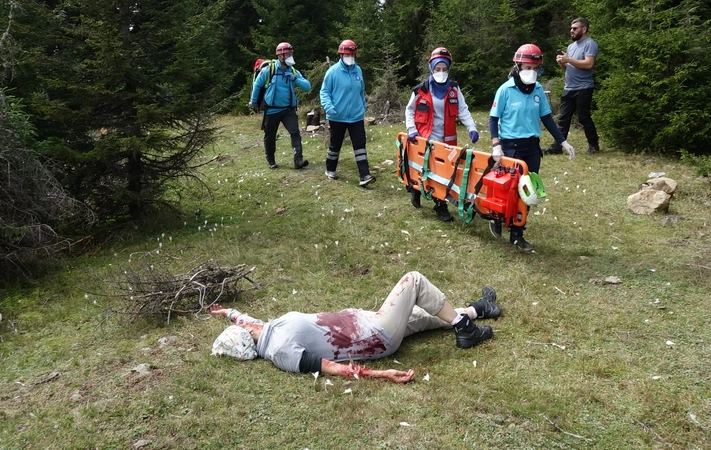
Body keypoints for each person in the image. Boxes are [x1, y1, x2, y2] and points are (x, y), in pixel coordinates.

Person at [209, 271, 500, 384]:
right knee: (414, 282)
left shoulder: (265, 332)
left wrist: (227, 312)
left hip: (369, 322)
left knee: (423, 314)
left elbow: (245, 319)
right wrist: (383, 373)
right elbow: (331, 368)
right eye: (246, 328)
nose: (248, 325)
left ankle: (479, 309)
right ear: (247, 341)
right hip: (376, 336)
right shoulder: (279, 351)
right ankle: (465, 329)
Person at [488, 44, 575, 250]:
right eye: (528, 67)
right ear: (518, 66)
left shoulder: (537, 90)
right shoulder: (505, 90)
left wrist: (562, 141)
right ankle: (497, 217)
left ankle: (517, 233)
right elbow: (493, 119)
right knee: (508, 189)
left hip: (532, 147)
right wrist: (496, 145)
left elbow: (546, 118)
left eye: (536, 68)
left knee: (527, 191)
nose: (532, 72)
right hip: (511, 147)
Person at [405, 47, 480, 222]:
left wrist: (472, 127)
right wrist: (411, 130)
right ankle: (417, 189)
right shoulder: (420, 90)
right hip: (426, 138)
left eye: (444, 69)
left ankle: (440, 205)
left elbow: (462, 109)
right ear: (431, 68)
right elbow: (410, 111)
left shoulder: (454, 89)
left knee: (444, 173)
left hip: (448, 140)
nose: (441, 72)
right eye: (438, 69)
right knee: (427, 170)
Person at [319, 40, 376, 186]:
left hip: (356, 116)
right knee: (335, 144)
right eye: (347, 54)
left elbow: (361, 89)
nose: (350, 56)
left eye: (352, 54)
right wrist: (328, 106)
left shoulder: (358, 70)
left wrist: (363, 105)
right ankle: (330, 169)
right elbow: (324, 92)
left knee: (360, 144)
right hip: (337, 115)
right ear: (341, 54)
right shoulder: (332, 72)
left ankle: (365, 175)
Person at [249, 42, 312, 170]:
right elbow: (257, 85)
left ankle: (298, 160)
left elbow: (307, 86)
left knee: (295, 132)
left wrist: (295, 79)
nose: (290, 57)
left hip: (288, 109)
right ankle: (271, 160)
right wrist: (254, 101)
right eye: (287, 54)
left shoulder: (293, 71)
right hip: (272, 110)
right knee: (270, 135)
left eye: (291, 54)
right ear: (280, 56)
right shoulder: (269, 70)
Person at [545, 18, 600, 155]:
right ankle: (557, 146)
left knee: (584, 117)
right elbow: (568, 70)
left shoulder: (590, 44)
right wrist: (562, 63)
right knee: (564, 118)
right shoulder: (571, 47)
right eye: (571, 28)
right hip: (569, 87)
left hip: (584, 87)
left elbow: (588, 64)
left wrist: (568, 59)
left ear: (584, 29)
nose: (571, 31)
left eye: (575, 28)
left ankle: (594, 145)